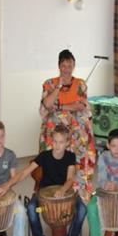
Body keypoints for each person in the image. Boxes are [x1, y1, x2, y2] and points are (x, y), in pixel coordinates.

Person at [17, 124, 87, 236]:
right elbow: (25, 172)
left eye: (61, 142)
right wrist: (8, 184)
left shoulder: (70, 156)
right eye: (55, 141)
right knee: (31, 208)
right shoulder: (44, 156)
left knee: (82, 209)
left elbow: (70, 179)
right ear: (51, 141)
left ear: (67, 143)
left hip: (66, 193)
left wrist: (62, 190)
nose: (57, 145)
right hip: (44, 194)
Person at [39, 49, 96, 195]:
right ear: (59, 66)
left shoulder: (80, 84)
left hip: (77, 132)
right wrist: (58, 87)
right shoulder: (49, 83)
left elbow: (81, 105)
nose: (67, 69)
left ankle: (79, 187)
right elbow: (47, 104)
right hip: (57, 130)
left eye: (70, 66)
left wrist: (60, 107)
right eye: (64, 66)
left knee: (81, 130)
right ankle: (54, 184)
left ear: (74, 66)